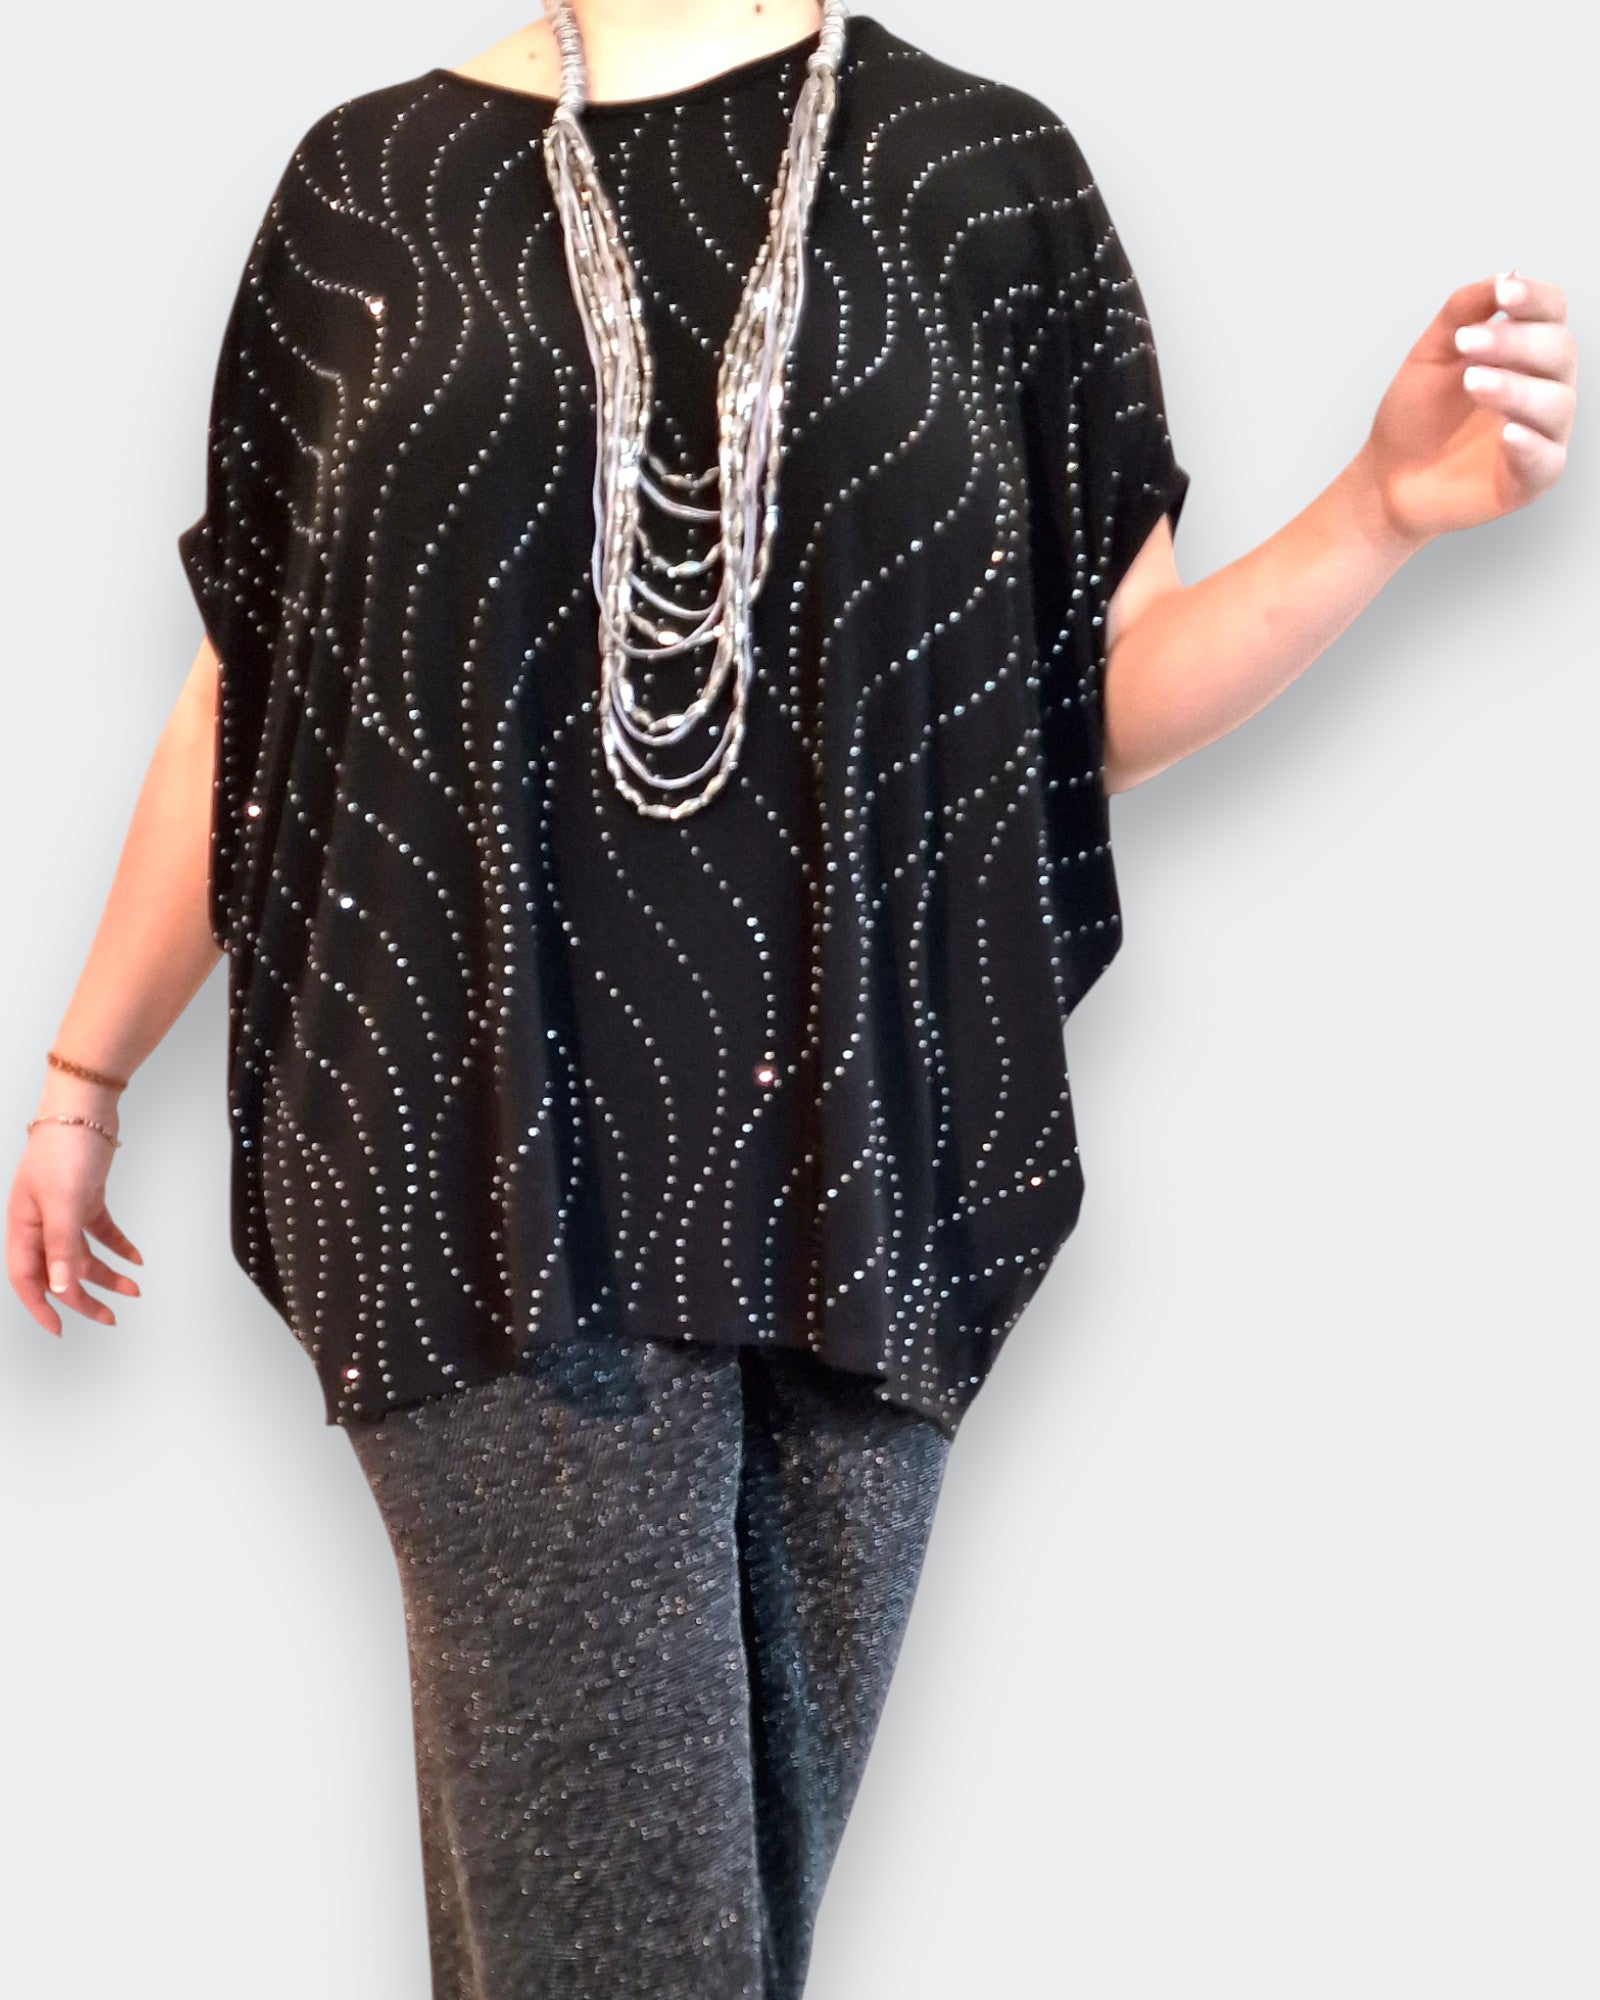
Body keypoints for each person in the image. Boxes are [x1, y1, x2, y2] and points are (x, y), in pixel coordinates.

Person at [5, 3, 1576, 1996]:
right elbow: (253, 689)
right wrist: (85, 1068)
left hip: (865, 1171)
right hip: (483, 1170)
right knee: (632, 1939)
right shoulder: (366, 193)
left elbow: (1084, 698)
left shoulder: (979, 178)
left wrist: (1376, 509)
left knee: (684, 1927)